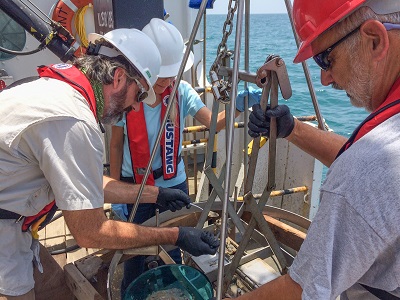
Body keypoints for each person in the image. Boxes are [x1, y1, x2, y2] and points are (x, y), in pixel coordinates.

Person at [0, 28, 220, 300]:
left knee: (58, 289)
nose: (136, 108)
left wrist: (156, 193)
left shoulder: (60, 92)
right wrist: (174, 236)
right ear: (118, 78)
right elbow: (91, 232)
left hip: (14, 221)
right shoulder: (75, 122)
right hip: (5, 231)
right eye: (138, 96)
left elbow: (88, 180)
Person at [233, 0, 400, 299]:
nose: (325, 78)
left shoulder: (366, 170)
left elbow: (302, 290)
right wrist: (292, 128)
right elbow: (373, 166)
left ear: (374, 40)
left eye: (326, 59)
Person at [109, 18, 241, 297]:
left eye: (172, 74)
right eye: (162, 75)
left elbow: (213, 122)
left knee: (174, 250)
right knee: (134, 256)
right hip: (136, 188)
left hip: (173, 185)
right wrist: (117, 194)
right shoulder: (127, 96)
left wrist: (239, 105)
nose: (168, 81)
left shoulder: (180, 91)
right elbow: (117, 145)